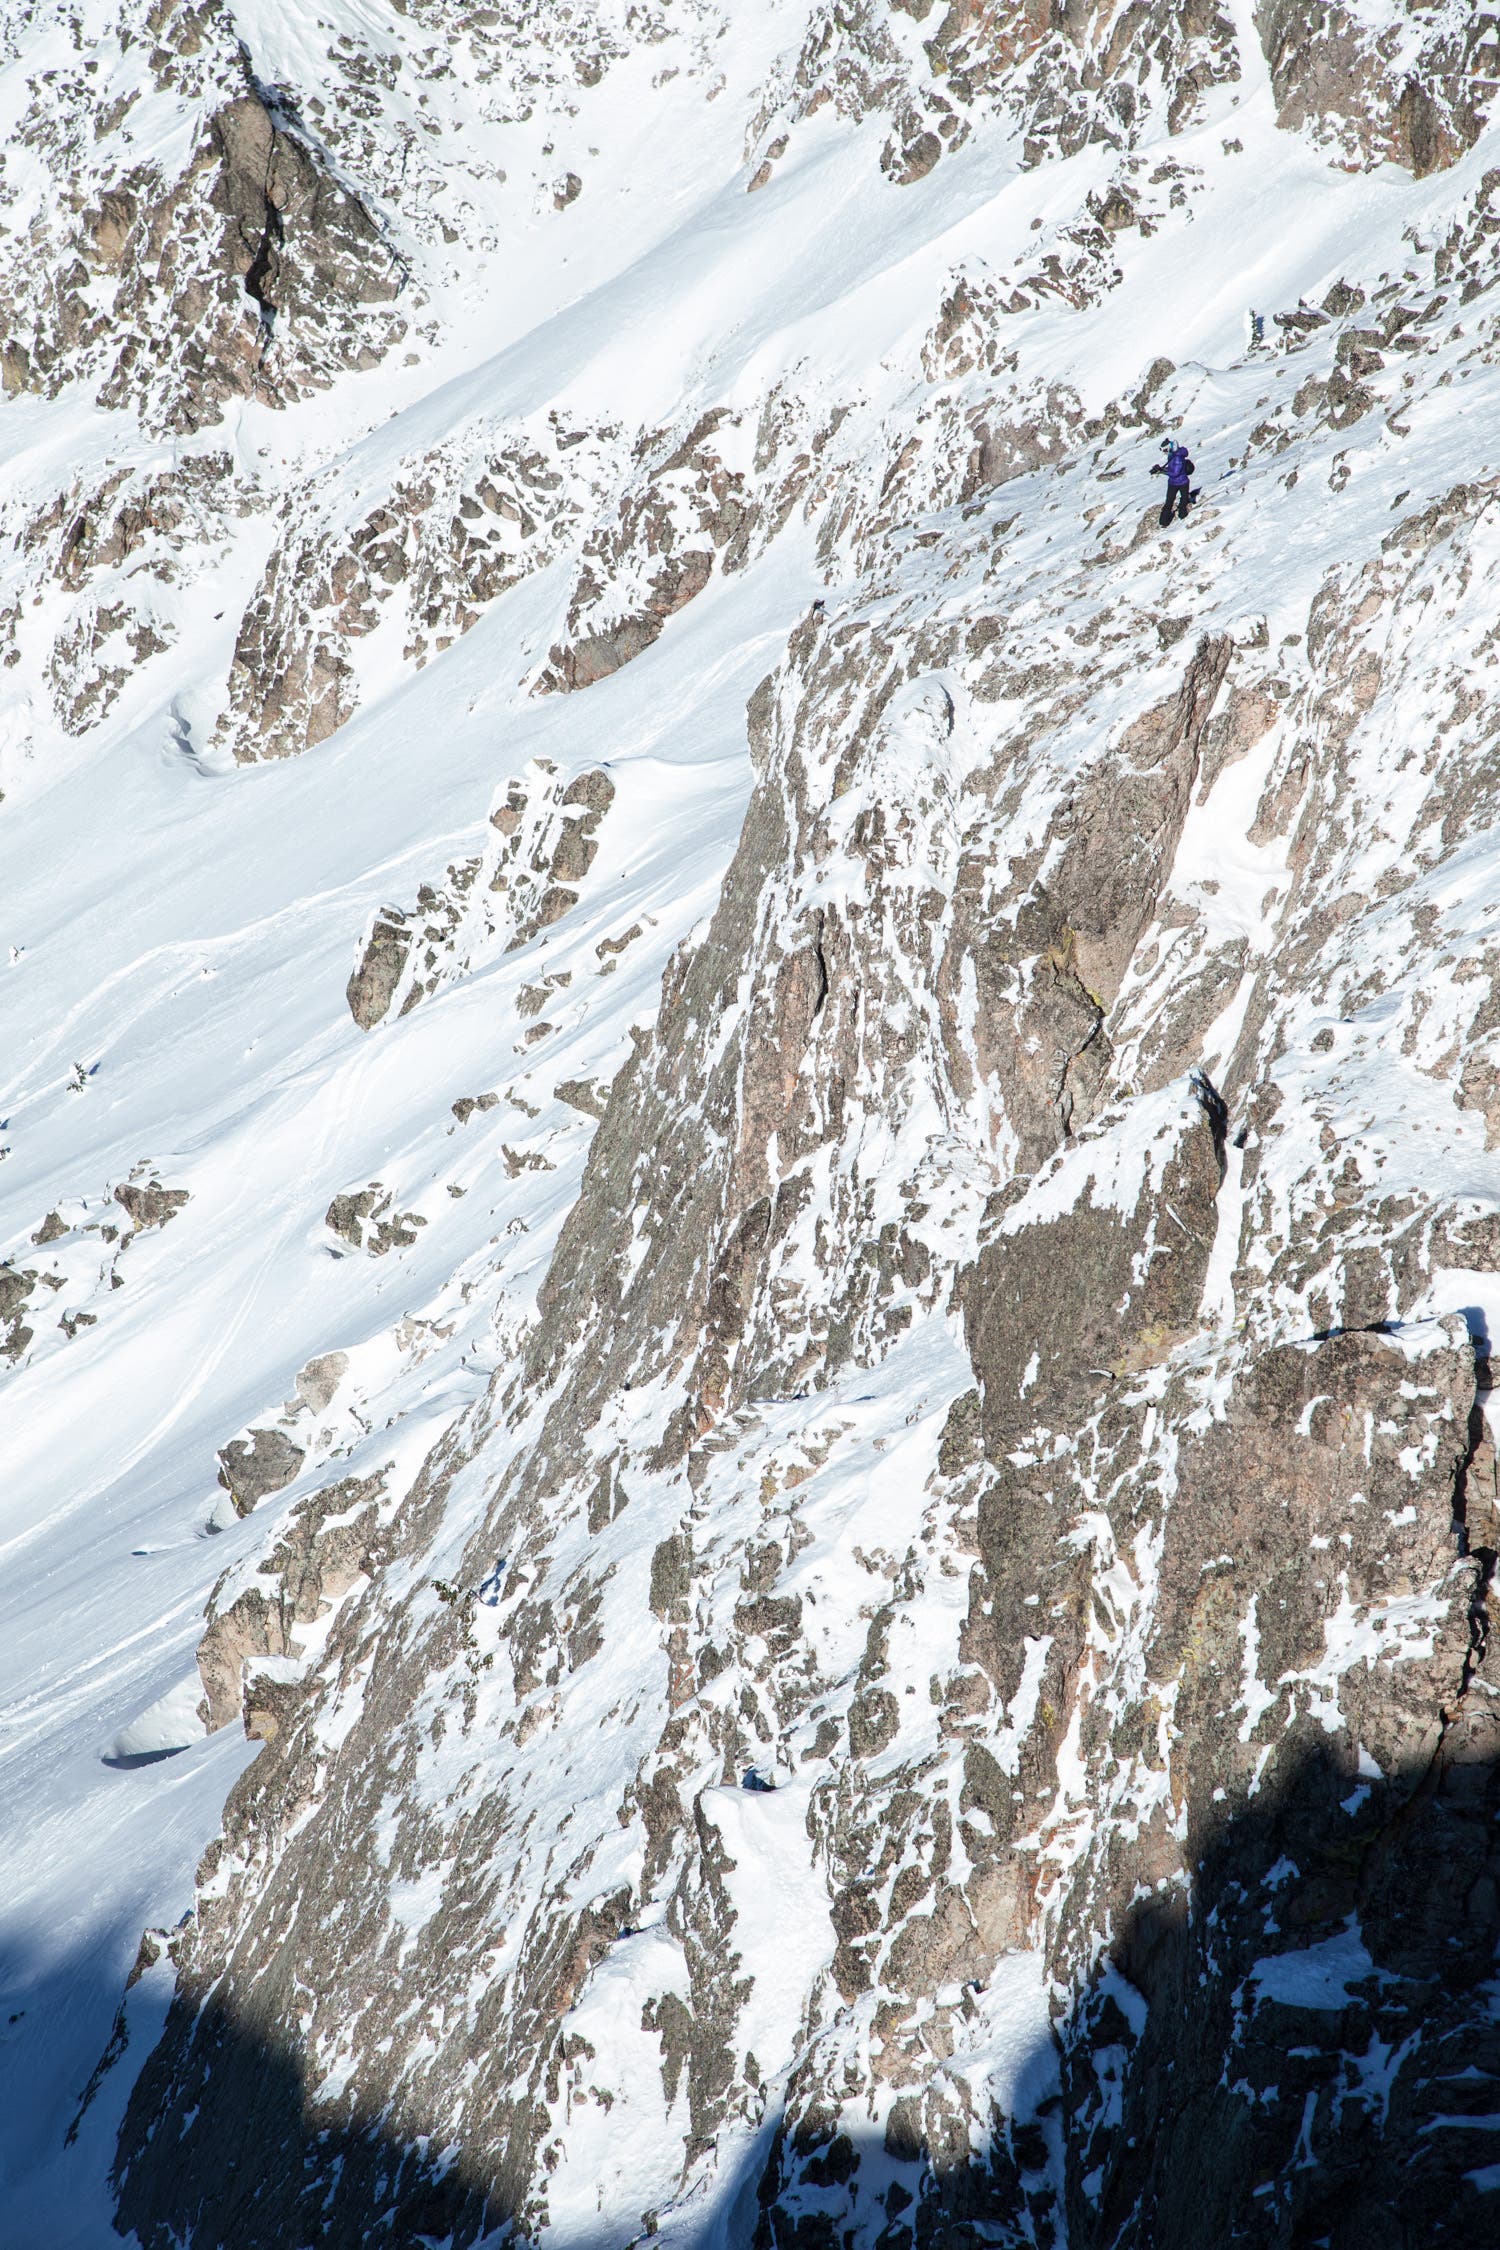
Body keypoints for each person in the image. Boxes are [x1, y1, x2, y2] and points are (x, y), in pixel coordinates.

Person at [1151, 437, 1195, 526]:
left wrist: (1161, 471)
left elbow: (1175, 473)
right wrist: (1161, 469)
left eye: (1165, 450)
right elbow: (1172, 469)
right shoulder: (1172, 455)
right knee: (1182, 498)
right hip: (1178, 482)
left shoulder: (1178, 457)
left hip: (1179, 482)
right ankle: (1178, 516)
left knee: (1173, 500)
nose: (1164, 452)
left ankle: (1168, 520)